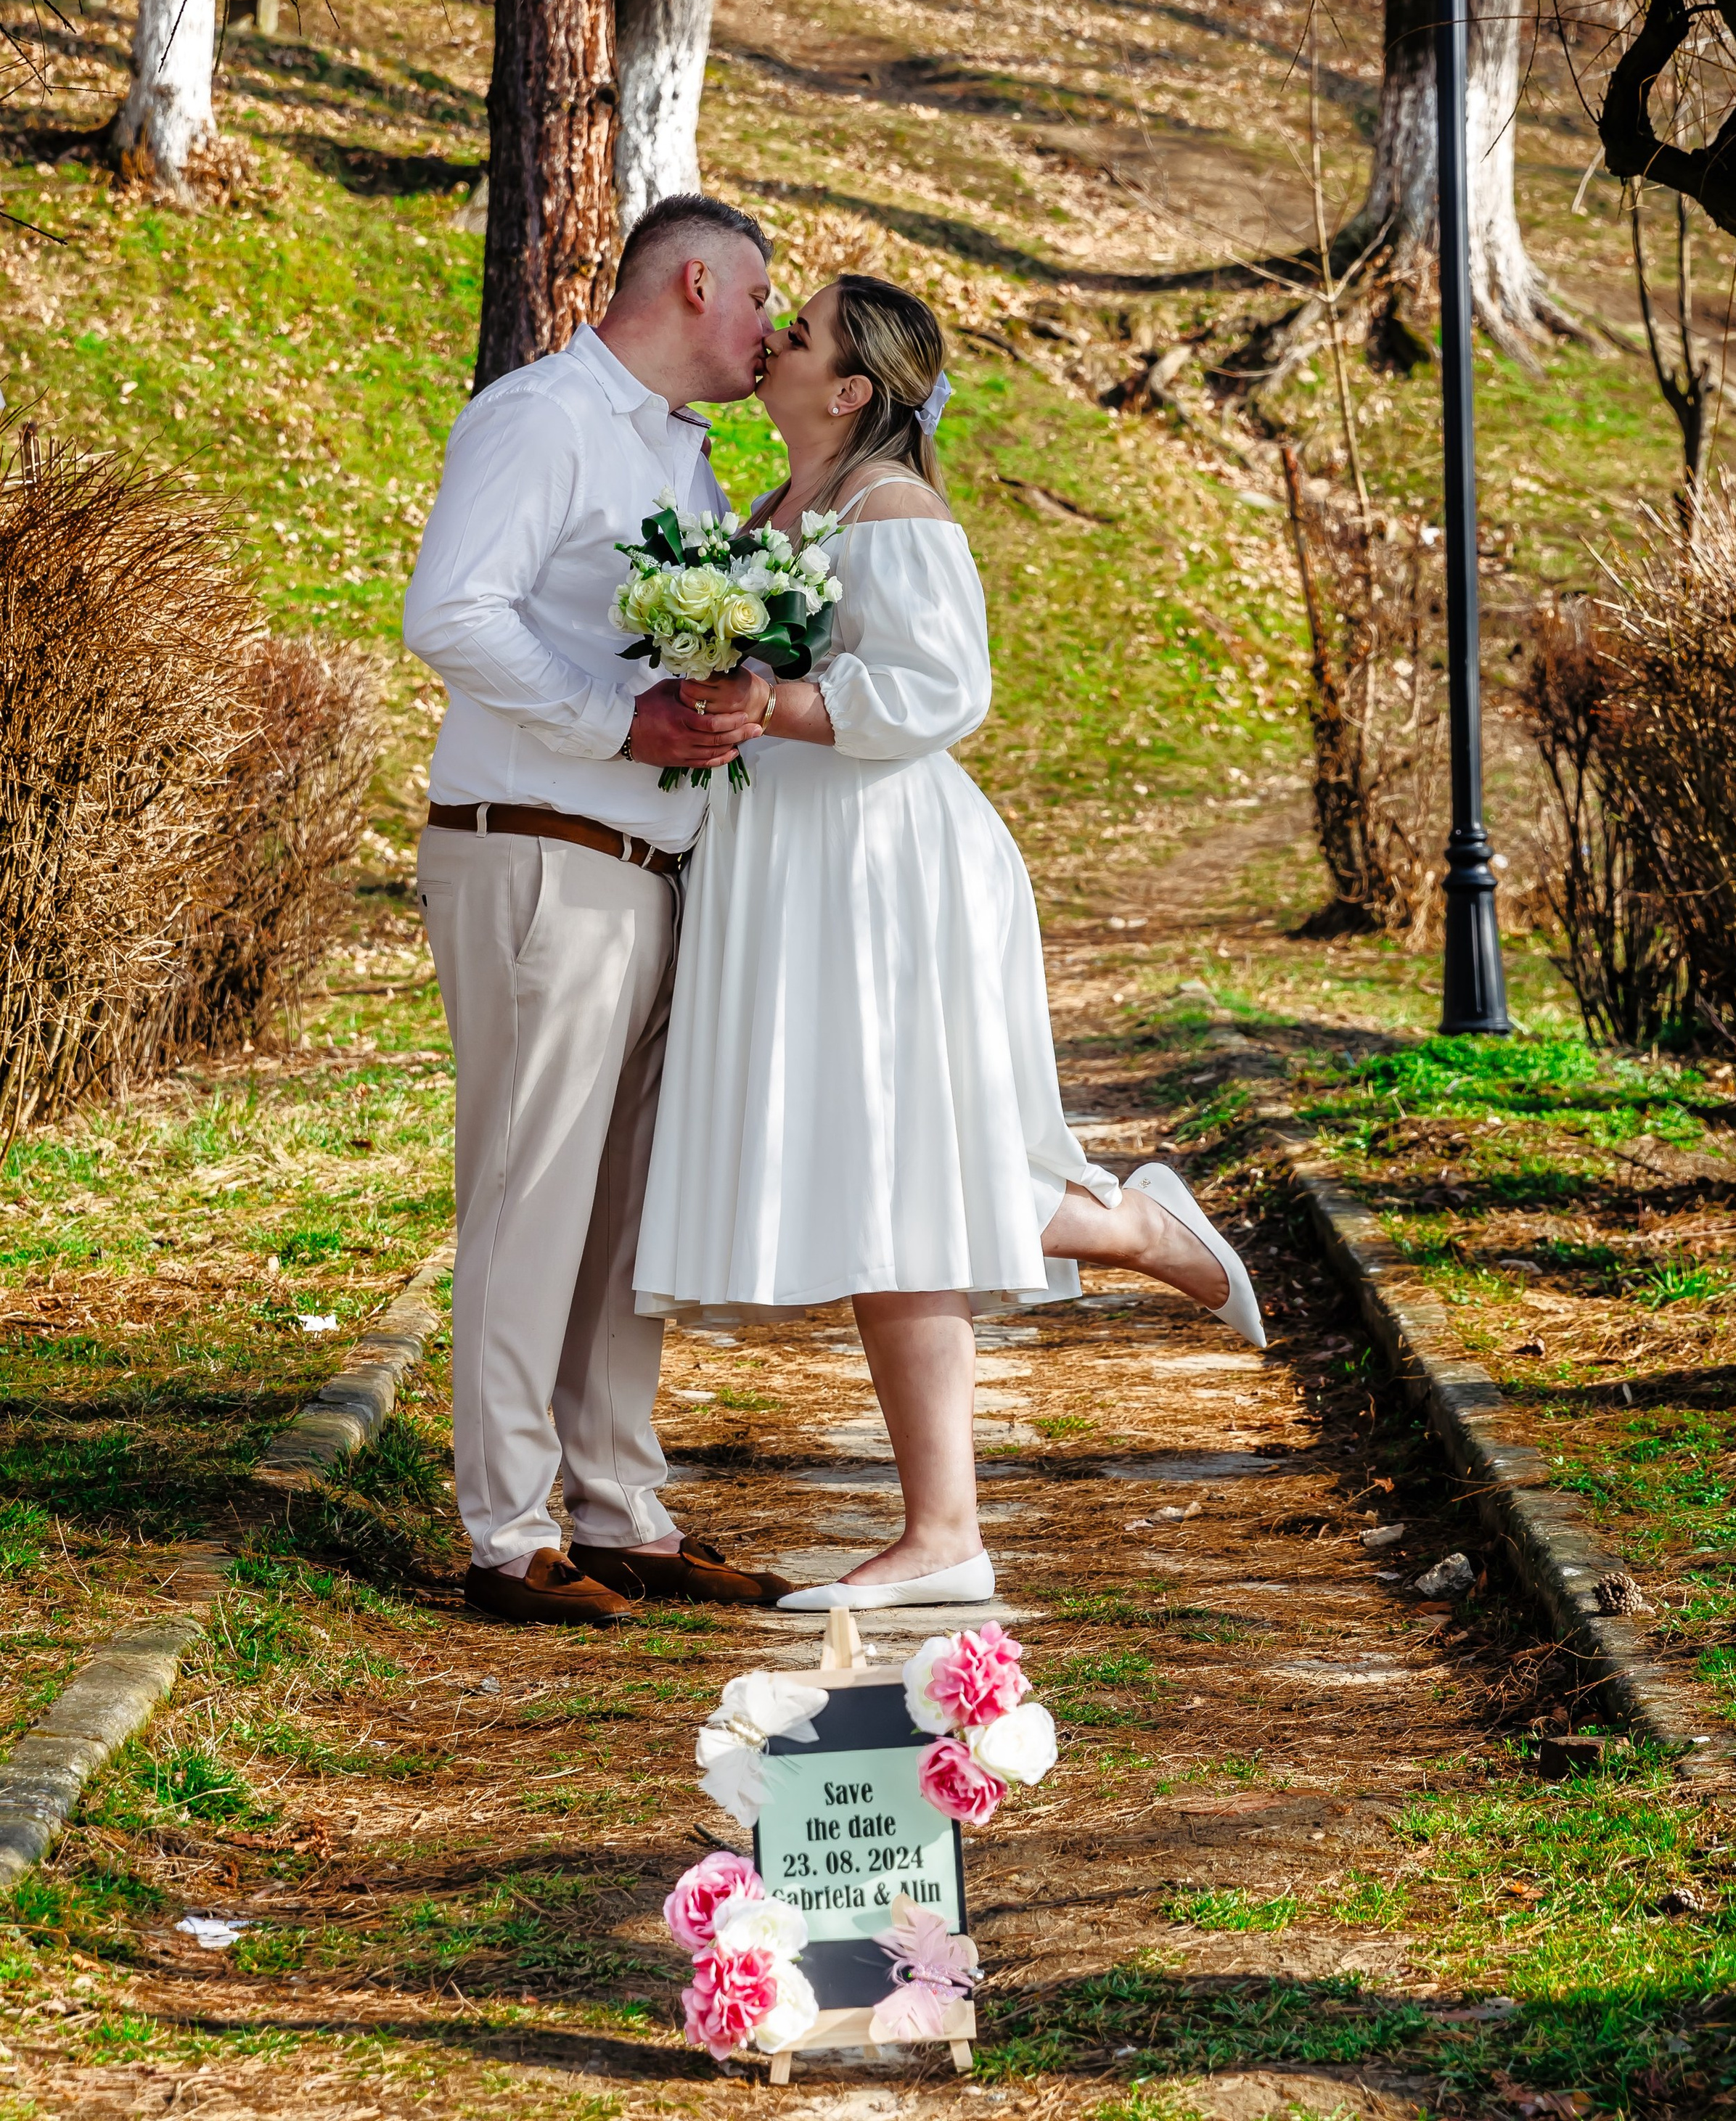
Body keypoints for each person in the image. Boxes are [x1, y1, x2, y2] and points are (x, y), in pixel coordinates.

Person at [633, 271, 1265, 1611]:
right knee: (875, 1163)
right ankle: (1135, 1231)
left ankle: (946, 1531)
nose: (774, 340)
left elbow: (942, 689)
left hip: (886, 869)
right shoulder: (776, 505)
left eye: (800, 332)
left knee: (901, 1170)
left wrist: (769, 702)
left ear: (851, 389)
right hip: (795, 865)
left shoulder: (894, 508)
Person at [404, 193, 793, 1627]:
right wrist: (611, 722)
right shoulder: (542, 417)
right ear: (693, 282)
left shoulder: (685, 463)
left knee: (626, 1214)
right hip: (539, 854)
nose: (770, 330)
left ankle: (621, 1511)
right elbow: (452, 611)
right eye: (760, 299)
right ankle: (506, 1534)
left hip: (651, 870)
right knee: (531, 1194)